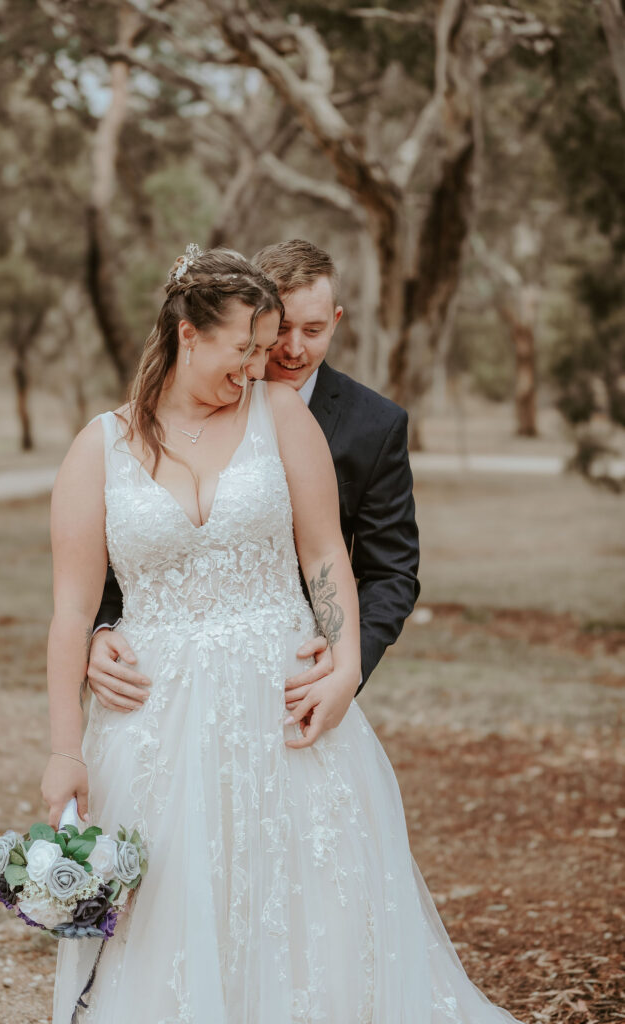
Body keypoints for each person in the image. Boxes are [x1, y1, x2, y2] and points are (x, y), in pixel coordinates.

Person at [44, 245, 523, 1023]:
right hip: (151, 724)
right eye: (248, 349)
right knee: (171, 913)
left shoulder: (280, 414)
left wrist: (341, 668)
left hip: (282, 708)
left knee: (308, 904)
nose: (262, 366)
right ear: (188, 333)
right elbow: (72, 609)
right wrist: (65, 752)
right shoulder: (97, 447)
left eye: (270, 350)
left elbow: (326, 552)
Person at [86, 240, 420, 720]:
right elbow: (142, 533)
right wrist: (102, 629)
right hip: (168, 685)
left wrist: (346, 665)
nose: (292, 349)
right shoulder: (170, 417)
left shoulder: (375, 426)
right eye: (278, 330)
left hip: (294, 678)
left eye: (314, 329)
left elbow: (391, 570)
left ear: (338, 321)